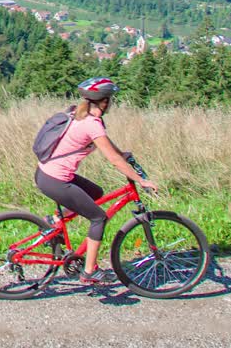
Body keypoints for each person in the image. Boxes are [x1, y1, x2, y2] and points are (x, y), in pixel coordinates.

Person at [34, 77, 159, 285]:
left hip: (46, 173)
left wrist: (122, 154)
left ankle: (56, 221)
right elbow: (113, 159)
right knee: (99, 218)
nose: (111, 102)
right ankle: (89, 271)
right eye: (110, 99)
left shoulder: (82, 115)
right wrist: (140, 180)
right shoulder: (92, 124)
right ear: (104, 101)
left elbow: (110, 147)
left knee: (96, 194)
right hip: (54, 180)